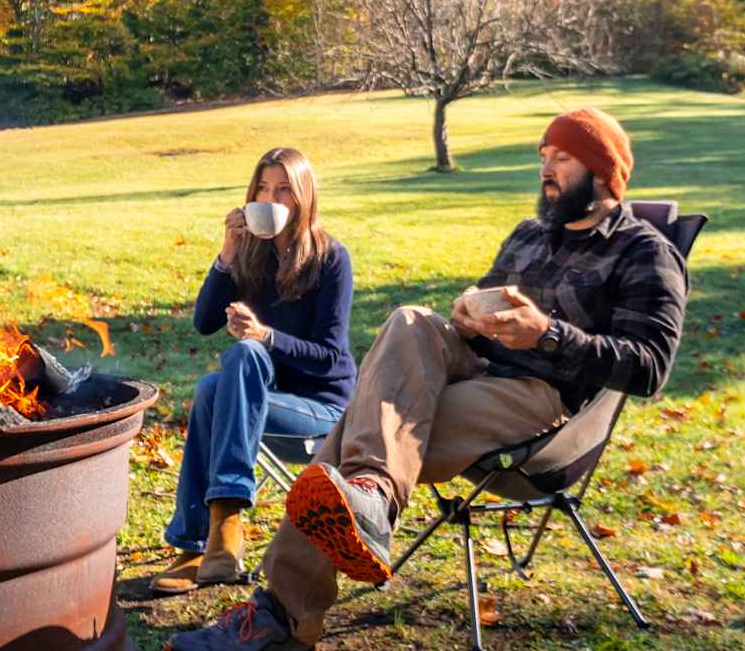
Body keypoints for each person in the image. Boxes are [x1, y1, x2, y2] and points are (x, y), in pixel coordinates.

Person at [165, 107, 690, 650]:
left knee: (360, 434)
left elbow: (649, 366)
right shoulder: (530, 236)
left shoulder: (645, 252)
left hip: (545, 398)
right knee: (411, 319)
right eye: (543, 157)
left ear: (604, 171)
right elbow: (483, 304)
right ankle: (366, 495)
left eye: (562, 158)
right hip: (479, 367)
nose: (545, 169)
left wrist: (548, 335)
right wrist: (468, 315)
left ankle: (286, 606)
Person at [150, 148, 357, 595]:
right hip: (259, 400)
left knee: (243, 357)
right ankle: (201, 544)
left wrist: (265, 336)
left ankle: (219, 529)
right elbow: (204, 323)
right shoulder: (252, 257)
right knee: (210, 388)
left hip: (323, 411)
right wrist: (227, 256)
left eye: (284, 188)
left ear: (303, 196)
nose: (272, 197)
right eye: (263, 188)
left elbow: (329, 356)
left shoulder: (331, 259)